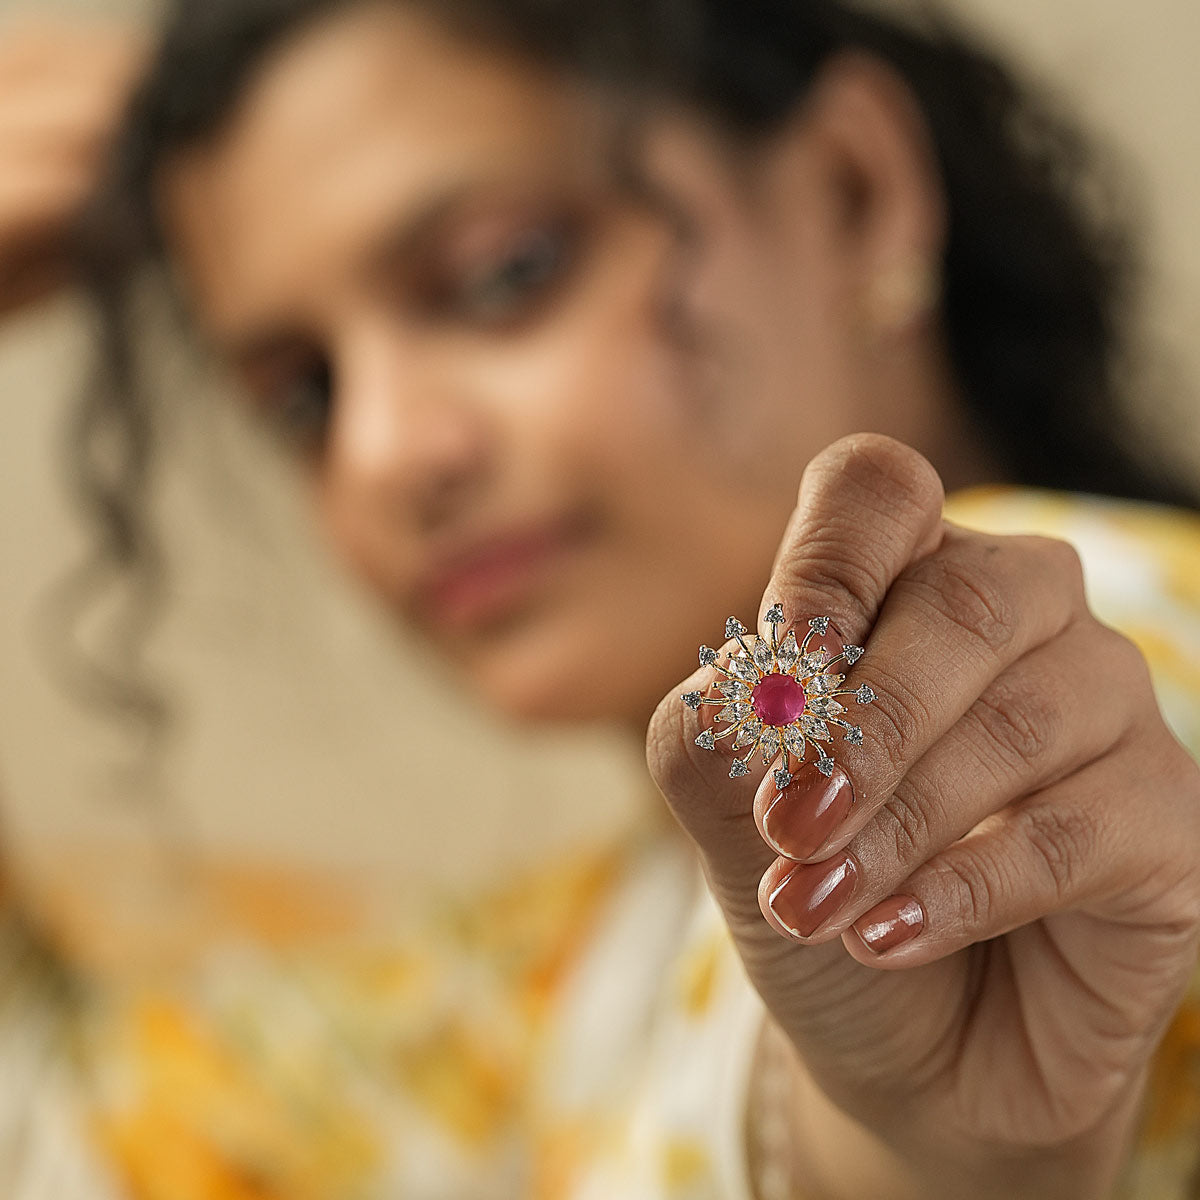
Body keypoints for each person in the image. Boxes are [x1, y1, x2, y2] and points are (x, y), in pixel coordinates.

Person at [2, 1, 1200, 1197]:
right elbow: (87, 1123)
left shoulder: (1115, 651)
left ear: (851, 189)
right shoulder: (578, 963)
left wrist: (934, 1152)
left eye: (502, 276)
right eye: (304, 396)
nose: (382, 452)